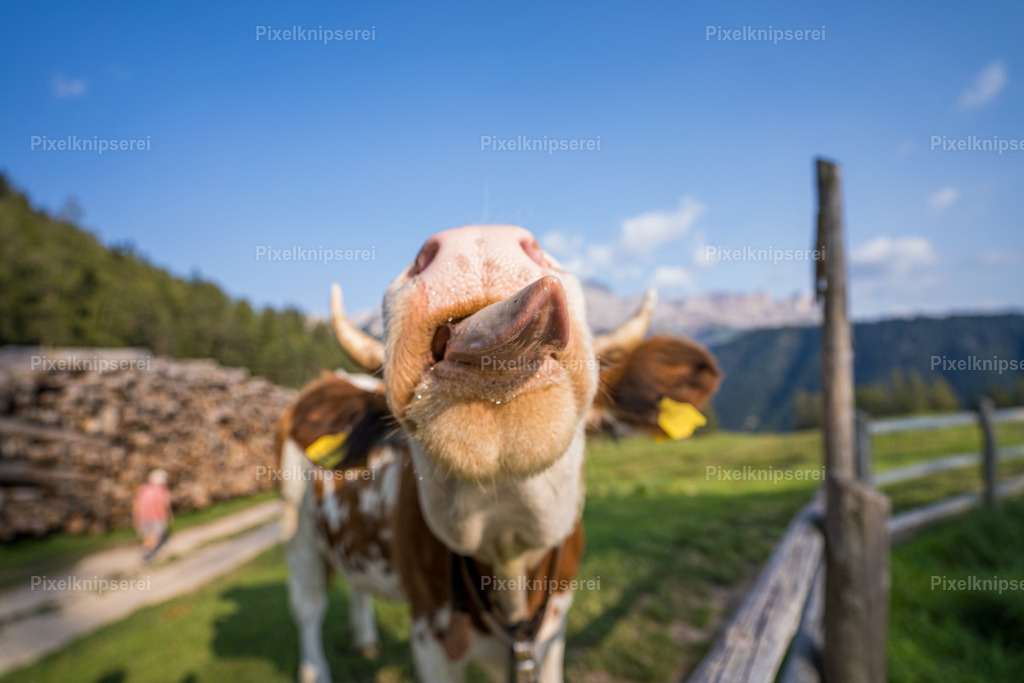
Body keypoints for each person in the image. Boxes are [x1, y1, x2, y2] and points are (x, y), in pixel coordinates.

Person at [133, 469, 172, 561]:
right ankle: (150, 553)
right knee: (155, 534)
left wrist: (136, 517)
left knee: (147, 534)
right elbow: (163, 504)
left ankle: (145, 551)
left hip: (143, 516)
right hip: (156, 516)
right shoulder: (162, 490)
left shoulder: (144, 489)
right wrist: (167, 514)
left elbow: (137, 503)